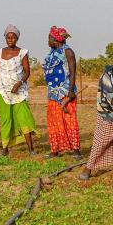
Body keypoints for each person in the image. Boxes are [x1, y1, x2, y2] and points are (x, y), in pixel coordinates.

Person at [0, 25, 37, 156]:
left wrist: (19, 83)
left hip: (18, 91)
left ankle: (31, 149)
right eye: (8, 37)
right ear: (5, 38)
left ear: (17, 38)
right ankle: (5, 149)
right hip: (3, 91)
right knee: (5, 119)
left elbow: (27, 72)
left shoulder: (23, 52)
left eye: (13, 37)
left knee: (24, 118)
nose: (10, 39)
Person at [43, 26, 81, 159]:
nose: (47, 41)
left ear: (56, 40)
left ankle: (76, 150)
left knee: (69, 120)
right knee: (54, 122)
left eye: (49, 38)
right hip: (53, 93)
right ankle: (55, 150)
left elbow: (72, 72)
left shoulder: (68, 52)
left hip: (66, 92)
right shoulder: (51, 53)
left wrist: (70, 91)